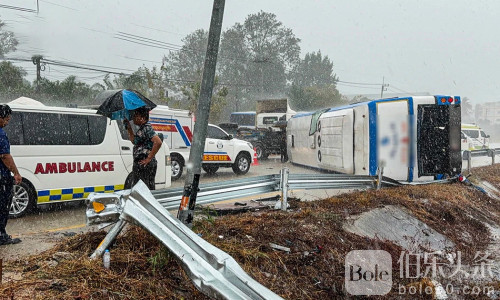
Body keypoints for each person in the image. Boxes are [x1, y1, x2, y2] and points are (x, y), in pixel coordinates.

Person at [123, 107, 162, 190]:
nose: (133, 118)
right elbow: (134, 141)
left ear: (142, 118)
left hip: (145, 165)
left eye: (136, 116)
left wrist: (148, 158)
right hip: (140, 164)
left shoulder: (147, 128)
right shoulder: (142, 129)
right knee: (141, 189)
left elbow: (158, 142)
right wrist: (129, 128)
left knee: (145, 190)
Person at [0, 105, 22, 246]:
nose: (7, 122)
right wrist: (16, 173)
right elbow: (5, 156)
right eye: (6, 119)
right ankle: (1, 235)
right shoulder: (1, 134)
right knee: (2, 206)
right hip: (1, 178)